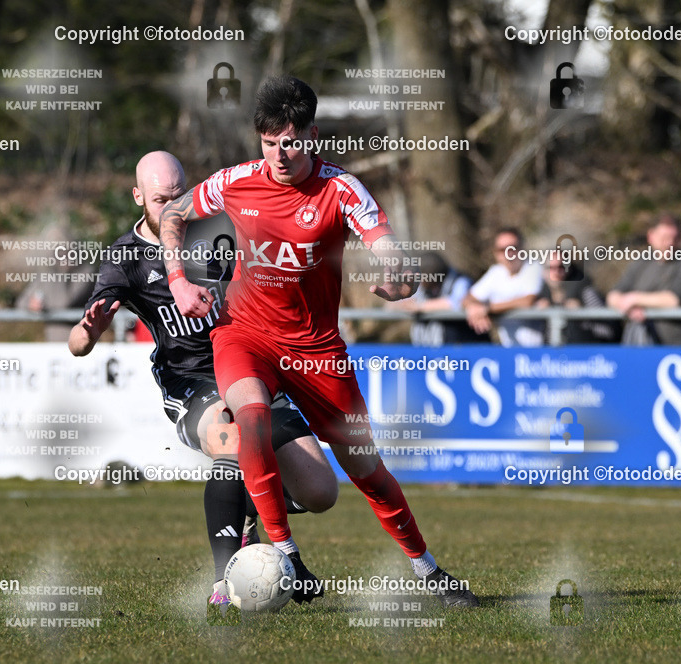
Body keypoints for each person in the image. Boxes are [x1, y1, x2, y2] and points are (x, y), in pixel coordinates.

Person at [159, 76, 478, 607]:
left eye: (290, 141)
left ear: (311, 134)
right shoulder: (238, 181)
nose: (279, 154)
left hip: (316, 351)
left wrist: (400, 278)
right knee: (252, 416)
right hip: (246, 334)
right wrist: (177, 279)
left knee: (366, 470)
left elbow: (389, 248)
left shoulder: (340, 190)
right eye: (268, 143)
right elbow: (174, 213)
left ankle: (429, 571)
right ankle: (284, 553)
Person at [68, 151, 338, 614]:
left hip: (249, 369)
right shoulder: (125, 256)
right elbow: (77, 343)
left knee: (319, 493)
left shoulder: (217, 230)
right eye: (158, 199)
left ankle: (249, 516)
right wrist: (88, 331)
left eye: (178, 196)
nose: (171, 207)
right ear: (138, 197)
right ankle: (224, 579)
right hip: (190, 381)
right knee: (232, 441)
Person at [606, 214, 681, 345]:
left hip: (680, 349)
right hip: (643, 347)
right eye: (664, 238)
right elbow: (613, 295)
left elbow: (672, 300)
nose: (670, 243)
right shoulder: (642, 262)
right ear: (651, 236)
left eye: (675, 238)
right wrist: (629, 307)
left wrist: (635, 299)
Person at [462, 228, 544, 346]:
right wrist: (473, 307)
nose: (508, 253)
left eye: (512, 248)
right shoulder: (496, 272)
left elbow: (527, 300)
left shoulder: (533, 267)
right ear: (495, 253)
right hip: (508, 351)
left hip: (541, 353)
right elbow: (467, 298)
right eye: (502, 249)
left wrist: (487, 308)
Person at [389, 252, 483, 346]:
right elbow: (394, 303)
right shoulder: (418, 283)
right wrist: (402, 302)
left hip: (462, 346)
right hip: (425, 347)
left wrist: (420, 306)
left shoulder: (461, 281)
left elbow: (458, 302)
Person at [535, 254, 620, 344]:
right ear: (543, 272)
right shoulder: (541, 297)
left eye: (561, 267)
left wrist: (581, 316)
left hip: (587, 354)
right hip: (551, 356)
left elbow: (610, 331)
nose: (556, 272)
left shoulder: (585, 292)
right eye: (551, 268)